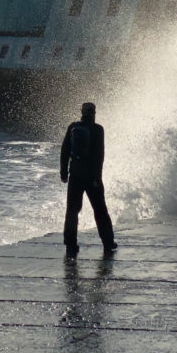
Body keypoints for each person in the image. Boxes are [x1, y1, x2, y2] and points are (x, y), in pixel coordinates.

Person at [60, 101, 117, 258]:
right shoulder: (98, 129)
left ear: (82, 112)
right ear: (94, 113)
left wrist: (63, 172)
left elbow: (65, 151)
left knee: (72, 211)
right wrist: (97, 178)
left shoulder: (73, 127)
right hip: (91, 177)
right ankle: (108, 243)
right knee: (100, 211)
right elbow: (99, 156)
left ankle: (70, 245)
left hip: (75, 175)